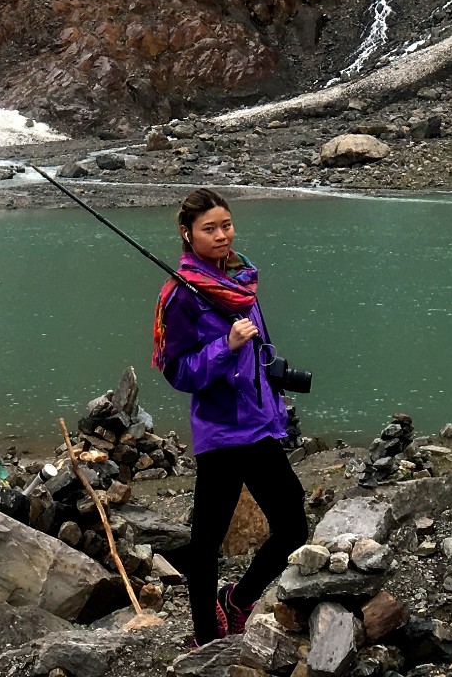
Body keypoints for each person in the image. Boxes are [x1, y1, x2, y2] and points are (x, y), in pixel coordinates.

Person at [152, 188, 307, 647]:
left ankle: (238, 599)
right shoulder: (181, 295)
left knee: (293, 524)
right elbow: (177, 370)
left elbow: (260, 348)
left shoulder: (240, 279)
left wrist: (276, 396)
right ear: (187, 234)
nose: (221, 235)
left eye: (226, 224)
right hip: (221, 431)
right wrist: (226, 347)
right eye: (209, 228)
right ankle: (205, 637)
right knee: (206, 542)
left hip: (258, 423)